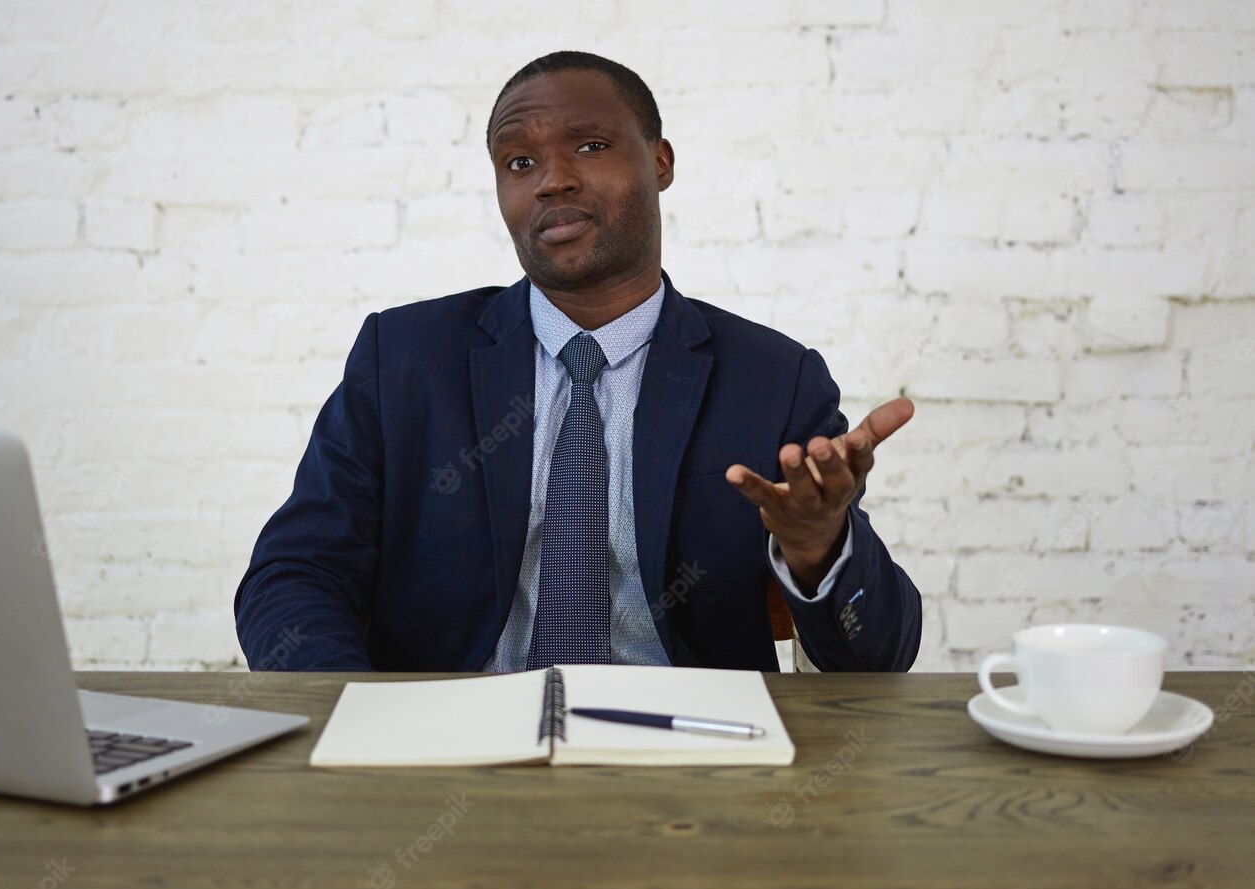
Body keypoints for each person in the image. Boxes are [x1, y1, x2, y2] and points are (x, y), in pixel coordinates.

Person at [234, 51, 921, 673]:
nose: (551, 181)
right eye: (519, 163)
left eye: (590, 146)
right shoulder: (405, 360)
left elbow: (878, 657)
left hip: (689, 762)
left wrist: (819, 550)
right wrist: (359, 718)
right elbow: (294, 573)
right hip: (448, 749)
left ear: (660, 162)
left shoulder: (773, 380)